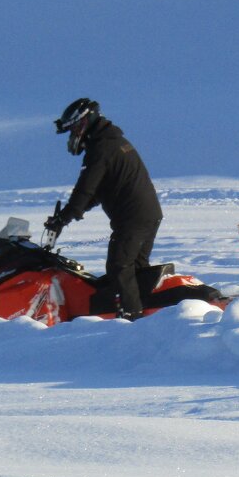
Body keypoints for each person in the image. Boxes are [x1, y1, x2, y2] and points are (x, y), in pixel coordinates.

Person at [47, 98, 163, 320]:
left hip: (134, 218)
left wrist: (63, 218)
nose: (73, 135)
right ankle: (146, 314)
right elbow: (98, 191)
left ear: (84, 122)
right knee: (135, 269)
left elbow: (85, 189)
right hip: (145, 215)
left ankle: (130, 318)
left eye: (73, 129)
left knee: (119, 266)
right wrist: (71, 214)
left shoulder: (101, 148)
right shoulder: (110, 142)